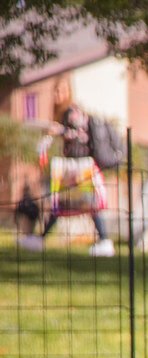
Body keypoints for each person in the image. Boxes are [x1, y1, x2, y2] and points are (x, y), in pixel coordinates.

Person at [18, 77, 114, 256]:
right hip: (72, 167)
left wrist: (60, 131)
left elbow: (81, 135)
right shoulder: (63, 113)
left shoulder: (71, 112)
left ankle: (105, 241)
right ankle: (41, 238)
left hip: (80, 167)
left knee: (87, 203)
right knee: (62, 204)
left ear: (69, 91)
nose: (58, 95)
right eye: (56, 91)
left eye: (61, 90)